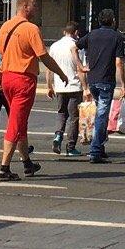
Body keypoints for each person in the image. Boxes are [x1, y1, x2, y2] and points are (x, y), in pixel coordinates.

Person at [0, 0, 66, 182]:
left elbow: (0, 51)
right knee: (15, 124)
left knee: (20, 121)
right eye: (34, 5)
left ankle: (27, 163)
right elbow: (44, 56)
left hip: (7, 78)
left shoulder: (6, 26)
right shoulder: (31, 29)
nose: (36, 9)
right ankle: (4, 168)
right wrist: (61, 73)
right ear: (25, 7)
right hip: (23, 80)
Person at [82, 8, 125, 164]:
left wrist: (79, 67)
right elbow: (119, 62)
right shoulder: (117, 37)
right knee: (102, 115)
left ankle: (100, 148)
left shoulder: (91, 35)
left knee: (100, 113)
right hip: (106, 81)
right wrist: (123, 85)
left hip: (92, 79)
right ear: (113, 21)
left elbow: (74, 47)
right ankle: (95, 151)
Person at [49, 19, 84, 156]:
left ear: (65, 32)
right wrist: (86, 87)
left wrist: (49, 86)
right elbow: (80, 68)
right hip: (74, 86)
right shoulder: (77, 46)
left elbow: (49, 69)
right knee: (73, 117)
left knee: (61, 113)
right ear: (76, 32)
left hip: (59, 86)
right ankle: (70, 147)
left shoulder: (54, 46)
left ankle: (58, 136)